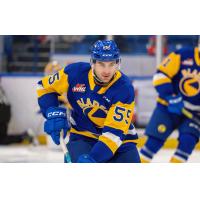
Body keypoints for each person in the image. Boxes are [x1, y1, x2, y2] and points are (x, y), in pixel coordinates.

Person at [37, 40, 140, 163]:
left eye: (111, 64)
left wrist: (94, 158)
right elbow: (44, 87)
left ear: (118, 64)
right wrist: (51, 111)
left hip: (121, 142)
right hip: (83, 136)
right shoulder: (75, 73)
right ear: (92, 63)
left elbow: (114, 134)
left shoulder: (124, 88)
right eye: (101, 64)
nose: (107, 71)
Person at [140, 46, 200, 163]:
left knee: (187, 142)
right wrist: (171, 96)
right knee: (153, 143)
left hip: (195, 114)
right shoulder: (183, 54)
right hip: (168, 106)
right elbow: (160, 75)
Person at [0, 81, 34, 145]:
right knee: (2, 139)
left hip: (2, 111)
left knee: (2, 139)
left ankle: (24, 136)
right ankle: (24, 136)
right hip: (5, 112)